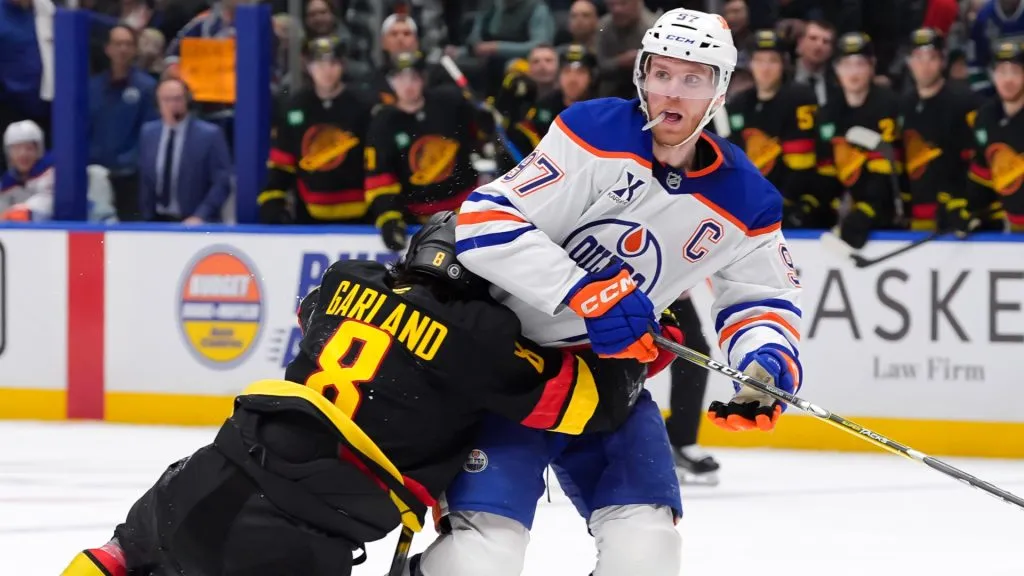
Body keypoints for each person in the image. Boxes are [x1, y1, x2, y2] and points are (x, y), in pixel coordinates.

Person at [62, 211, 667, 576]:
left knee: (114, 557)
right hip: (299, 537)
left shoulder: (342, 281)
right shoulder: (482, 337)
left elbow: (312, 318)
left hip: (210, 474)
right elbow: (586, 405)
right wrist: (642, 351)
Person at [418, 9, 804, 576]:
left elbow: (760, 298)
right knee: (483, 557)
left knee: (648, 549)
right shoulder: (593, 132)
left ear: (720, 89)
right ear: (641, 74)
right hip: (506, 372)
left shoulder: (748, 200)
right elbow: (483, 221)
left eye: (693, 79)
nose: (672, 93)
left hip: (607, 385)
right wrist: (584, 292)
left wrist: (765, 361)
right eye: (662, 73)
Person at [364, 51, 486, 251]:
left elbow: (483, 139)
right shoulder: (383, 124)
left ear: (423, 78)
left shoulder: (449, 103)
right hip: (418, 222)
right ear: (391, 82)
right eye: (401, 78)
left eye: (414, 77)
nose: (408, 85)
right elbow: (379, 178)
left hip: (466, 212)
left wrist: (485, 124)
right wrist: (389, 218)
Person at [260, 35, 375, 224]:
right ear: (308, 66)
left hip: (361, 216)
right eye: (319, 64)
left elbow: (376, 163)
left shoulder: (363, 105)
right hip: (309, 214)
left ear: (342, 65)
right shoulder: (295, 106)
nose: (326, 70)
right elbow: (282, 162)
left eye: (333, 63)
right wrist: (273, 199)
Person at [815, 32, 904, 249]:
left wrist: (866, 210)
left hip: (887, 213)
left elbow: (888, 174)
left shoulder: (888, 105)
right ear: (836, 68)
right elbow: (825, 170)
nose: (853, 72)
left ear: (872, 66)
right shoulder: (828, 112)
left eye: (860, 64)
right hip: (845, 211)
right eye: (846, 64)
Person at [726, 29, 819, 228]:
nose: (765, 68)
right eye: (759, 60)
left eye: (772, 61)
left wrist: (782, 203)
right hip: (747, 206)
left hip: (788, 205)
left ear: (783, 64)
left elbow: (801, 165)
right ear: (750, 63)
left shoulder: (799, 98)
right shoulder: (739, 103)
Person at [900, 28, 985, 232]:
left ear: (943, 61)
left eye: (932, 58)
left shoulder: (966, 102)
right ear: (909, 62)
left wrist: (967, 203)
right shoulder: (902, 105)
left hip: (959, 215)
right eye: (918, 58)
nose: (925, 66)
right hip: (917, 216)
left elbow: (982, 157)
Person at [137, 77, 232, 224]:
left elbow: (221, 182)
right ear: (158, 103)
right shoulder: (148, 133)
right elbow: (145, 179)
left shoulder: (209, 135)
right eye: (166, 100)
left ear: (187, 100)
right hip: (157, 221)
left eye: (177, 99)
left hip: (196, 221)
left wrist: (201, 215)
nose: (172, 105)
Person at [88, 24, 158, 222]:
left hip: (131, 177)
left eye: (128, 44)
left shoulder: (146, 87)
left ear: (135, 49)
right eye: (118, 44)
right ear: (107, 49)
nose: (123, 49)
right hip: (97, 174)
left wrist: (133, 162)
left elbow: (150, 132)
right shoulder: (92, 88)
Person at [955, 38, 1023, 232]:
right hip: (1011, 231)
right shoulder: (985, 117)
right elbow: (982, 174)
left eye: (1016, 71)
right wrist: (972, 212)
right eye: (1002, 71)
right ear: (993, 75)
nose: (1008, 79)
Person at [1, 120, 116, 222]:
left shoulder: (57, 171)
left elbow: (47, 205)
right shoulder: (7, 185)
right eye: (16, 149)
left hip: (85, 229)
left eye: (29, 148)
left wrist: (19, 213)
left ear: (39, 150)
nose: (23, 154)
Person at [509, 43, 597, 153]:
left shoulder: (601, 110)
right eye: (567, 72)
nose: (572, 79)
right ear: (558, 76)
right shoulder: (543, 108)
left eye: (580, 72)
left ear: (591, 78)